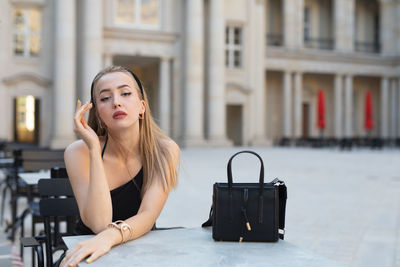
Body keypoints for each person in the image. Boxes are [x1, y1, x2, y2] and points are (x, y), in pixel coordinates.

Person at [61, 66, 179, 266]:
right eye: (105, 98)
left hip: (139, 250)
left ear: (142, 107)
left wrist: (109, 237)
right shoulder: (77, 152)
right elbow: (99, 224)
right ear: (97, 114)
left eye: (125, 93)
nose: (116, 102)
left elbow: (148, 215)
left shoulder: (165, 150)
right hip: (88, 254)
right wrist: (93, 150)